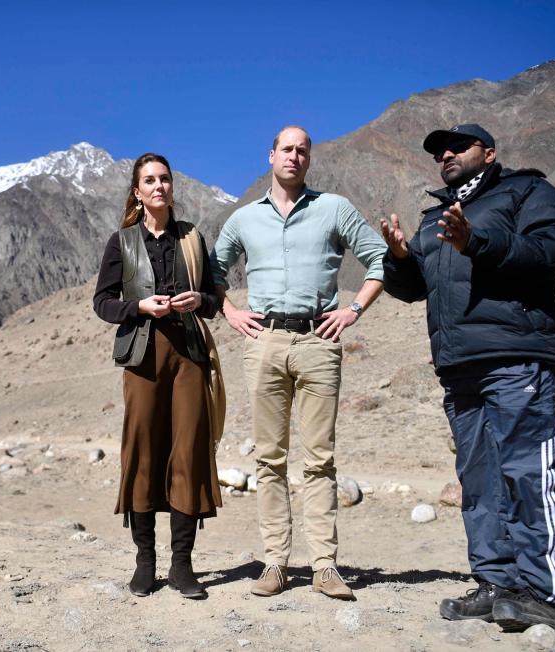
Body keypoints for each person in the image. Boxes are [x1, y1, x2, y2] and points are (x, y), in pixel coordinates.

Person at [380, 124, 555, 634]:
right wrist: (400, 257)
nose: (445, 154)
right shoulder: (434, 218)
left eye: (458, 146)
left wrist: (479, 240)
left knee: (527, 472)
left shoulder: (527, 192)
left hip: (516, 356)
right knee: (480, 480)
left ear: (488, 152)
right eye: (438, 151)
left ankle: (542, 591)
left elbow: (553, 250)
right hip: (459, 366)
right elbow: (414, 289)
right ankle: (497, 584)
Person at [211, 126, 387, 599]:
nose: (294, 156)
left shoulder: (334, 209)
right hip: (264, 342)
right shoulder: (244, 219)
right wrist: (230, 311)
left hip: (318, 341)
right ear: (271, 155)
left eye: (302, 150)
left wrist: (352, 310)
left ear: (310, 159)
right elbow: (212, 272)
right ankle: (275, 563)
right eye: (286, 148)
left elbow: (380, 259)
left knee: (320, 458)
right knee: (269, 459)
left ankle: (325, 565)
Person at [93, 152, 222, 600]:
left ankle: (183, 566)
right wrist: (138, 307)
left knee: (187, 450)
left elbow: (214, 297)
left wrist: (198, 303)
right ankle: (145, 562)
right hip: (142, 357)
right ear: (137, 191)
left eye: (164, 179)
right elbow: (103, 302)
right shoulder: (122, 241)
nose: (158, 187)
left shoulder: (192, 239)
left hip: (188, 354)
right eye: (149, 180)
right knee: (143, 452)